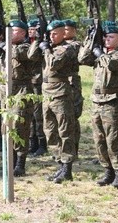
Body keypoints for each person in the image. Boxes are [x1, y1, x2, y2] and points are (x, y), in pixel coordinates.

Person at [78, 22, 118, 188]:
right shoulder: (102, 53)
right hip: (96, 101)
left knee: (113, 139)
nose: (107, 40)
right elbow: (82, 58)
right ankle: (107, 170)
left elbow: (111, 64)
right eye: (105, 37)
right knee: (99, 139)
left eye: (111, 37)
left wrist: (100, 52)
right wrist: (91, 39)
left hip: (112, 102)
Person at [32, 20, 77, 183]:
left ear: (63, 33)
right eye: (50, 33)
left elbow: (54, 64)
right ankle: (59, 162)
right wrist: (38, 41)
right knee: (50, 130)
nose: (52, 36)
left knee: (64, 131)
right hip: (46, 95)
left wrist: (46, 50)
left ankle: (67, 167)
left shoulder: (67, 48)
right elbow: (31, 56)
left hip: (61, 94)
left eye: (55, 33)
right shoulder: (49, 48)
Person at [0, 20, 41, 176]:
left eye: (14, 31)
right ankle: (10, 159)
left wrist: (5, 46)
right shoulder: (3, 47)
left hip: (20, 92)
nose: (10, 33)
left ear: (23, 33)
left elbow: (21, 54)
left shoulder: (25, 48)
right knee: (6, 127)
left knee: (19, 127)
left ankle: (20, 163)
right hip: (5, 91)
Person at [64, 19, 84, 158]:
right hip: (58, 84)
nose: (64, 32)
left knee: (72, 116)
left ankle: (74, 149)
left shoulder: (76, 45)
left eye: (66, 29)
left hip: (71, 82)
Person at [27, 19, 47, 156]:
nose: (31, 31)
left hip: (38, 82)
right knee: (30, 115)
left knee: (39, 115)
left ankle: (42, 143)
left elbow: (33, 56)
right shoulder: (27, 43)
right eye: (29, 29)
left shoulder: (41, 44)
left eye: (33, 29)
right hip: (28, 82)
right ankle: (32, 141)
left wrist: (38, 40)